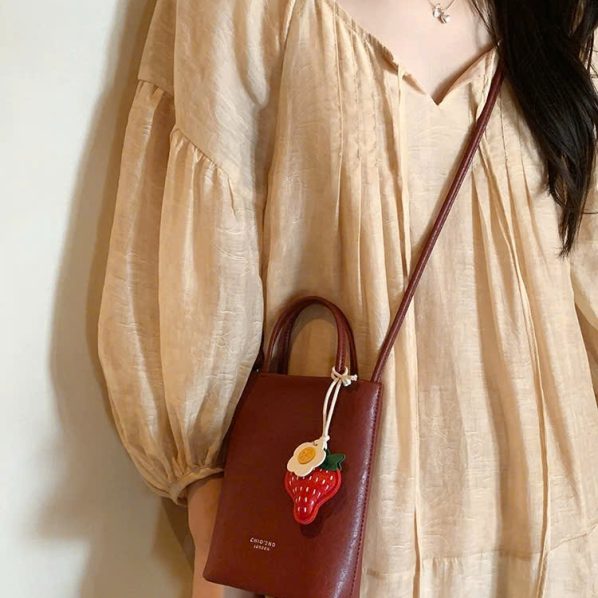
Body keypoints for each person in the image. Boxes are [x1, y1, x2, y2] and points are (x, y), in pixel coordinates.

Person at [97, 0, 598, 595]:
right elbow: (197, 264)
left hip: (558, 523)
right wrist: (212, 506)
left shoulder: (567, 14)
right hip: (345, 538)